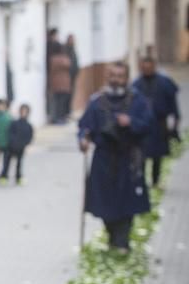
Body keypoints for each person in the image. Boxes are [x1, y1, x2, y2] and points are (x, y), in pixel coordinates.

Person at [78, 62, 152, 251]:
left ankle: (122, 241)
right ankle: (112, 237)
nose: (115, 79)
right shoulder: (97, 101)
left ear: (126, 78)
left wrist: (131, 122)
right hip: (103, 160)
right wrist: (83, 139)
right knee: (104, 202)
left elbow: (147, 125)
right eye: (112, 75)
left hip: (128, 159)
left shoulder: (137, 100)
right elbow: (85, 125)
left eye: (120, 76)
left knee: (127, 203)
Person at [131, 56, 181, 186]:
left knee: (157, 155)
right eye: (144, 67)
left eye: (149, 67)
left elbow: (173, 107)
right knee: (141, 155)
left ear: (154, 66)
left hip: (159, 125)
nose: (147, 70)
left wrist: (174, 126)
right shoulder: (135, 85)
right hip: (142, 126)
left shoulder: (164, 83)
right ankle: (140, 182)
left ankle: (155, 180)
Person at [1, 103, 34, 185]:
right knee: (7, 163)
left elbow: (29, 137)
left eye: (25, 112)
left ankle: (18, 177)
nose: (23, 113)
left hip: (21, 148)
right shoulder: (14, 123)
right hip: (10, 147)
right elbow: (9, 133)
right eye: (22, 111)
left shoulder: (28, 126)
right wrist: (12, 142)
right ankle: (4, 177)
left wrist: (24, 144)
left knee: (19, 164)